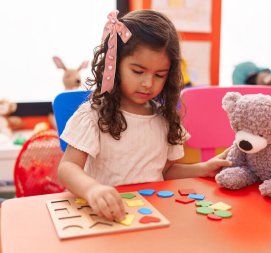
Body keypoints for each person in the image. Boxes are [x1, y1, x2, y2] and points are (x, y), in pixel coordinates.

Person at [57, 10, 231, 222]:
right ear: (114, 64)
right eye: (138, 72)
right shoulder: (94, 115)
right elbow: (68, 168)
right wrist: (92, 189)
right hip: (107, 216)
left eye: (159, 75)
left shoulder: (163, 118)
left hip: (153, 216)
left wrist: (202, 168)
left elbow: (165, 172)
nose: (148, 83)